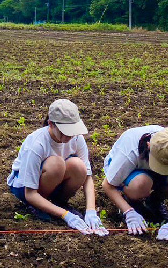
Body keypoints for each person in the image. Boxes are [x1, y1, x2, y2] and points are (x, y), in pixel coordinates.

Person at [7, 99, 108, 236]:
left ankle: (59, 203)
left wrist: (90, 210)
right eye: (64, 132)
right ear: (51, 124)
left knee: (79, 166)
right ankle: (39, 207)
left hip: (52, 181)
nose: (69, 136)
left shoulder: (76, 138)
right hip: (24, 188)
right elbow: (29, 194)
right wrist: (65, 215)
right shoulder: (37, 144)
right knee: (57, 164)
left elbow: (87, 177)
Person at [101, 126, 168, 242]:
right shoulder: (129, 152)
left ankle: (153, 202)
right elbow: (107, 185)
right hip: (132, 171)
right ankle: (131, 201)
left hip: (150, 172)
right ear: (149, 146)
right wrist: (128, 212)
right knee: (140, 184)